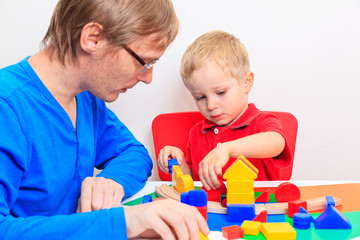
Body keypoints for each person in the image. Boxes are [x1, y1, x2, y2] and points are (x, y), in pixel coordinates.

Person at [0, 0, 209, 239]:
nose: (148, 78)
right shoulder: (7, 106)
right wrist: (124, 222)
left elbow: (134, 153)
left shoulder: (86, 99)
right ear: (93, 38)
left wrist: (111, 181)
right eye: (144, 62)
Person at [158, 30, 293, 191]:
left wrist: (227, 149)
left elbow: (277, 142)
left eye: (220, 93)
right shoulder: (197, 133)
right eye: (200, 97)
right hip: (210, 211)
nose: (211, 105)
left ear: (246, 82)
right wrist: (178, 164)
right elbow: (194, 182)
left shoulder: (261, 121)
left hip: (257, 209)